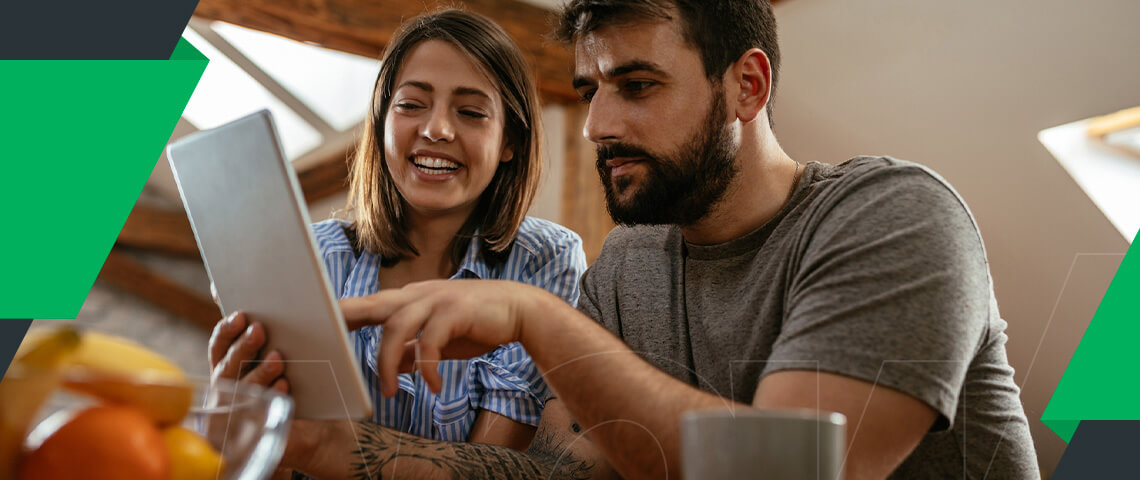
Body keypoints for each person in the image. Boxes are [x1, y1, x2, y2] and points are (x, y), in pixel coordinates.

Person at [338, 1, 1043, 479]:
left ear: (747, 86)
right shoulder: (626, 270)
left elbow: (802, 467)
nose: (597, 125)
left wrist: (537, 318)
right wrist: (324, 446)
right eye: (590, 92)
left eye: (637, 85)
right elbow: (560, 475)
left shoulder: (895, 215)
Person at [206, 9, 588, 479]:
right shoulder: (316, 257)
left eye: (470, 112)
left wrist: (327, 447)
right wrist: (243, 421)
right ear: (382, 120)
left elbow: (491, 468)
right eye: (411, 105)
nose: (436, 130)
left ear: (511, 140)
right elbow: (277, 456)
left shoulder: (545, 259)